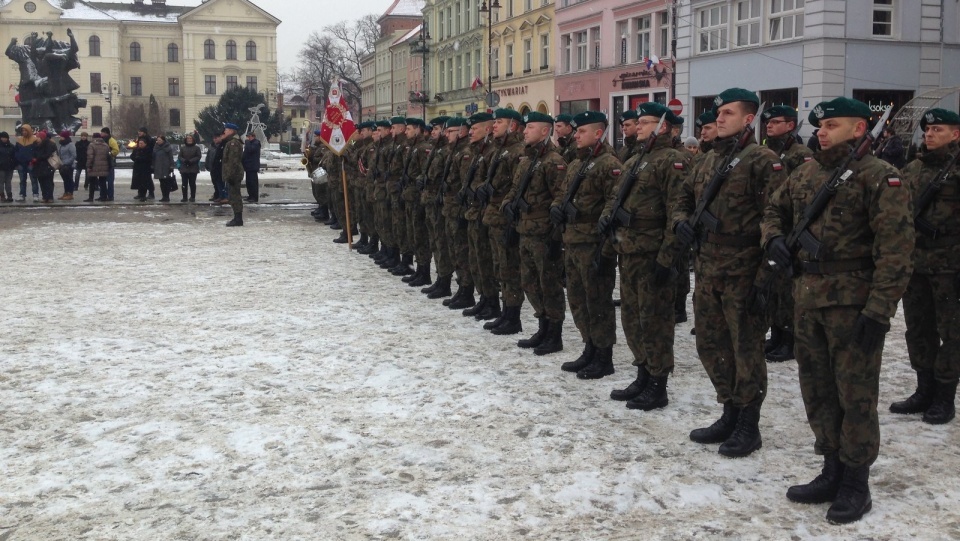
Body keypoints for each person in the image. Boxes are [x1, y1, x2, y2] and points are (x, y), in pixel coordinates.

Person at [762, 97, 914, 524]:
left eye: (833, 124)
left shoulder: (880, 177)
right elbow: (774, 209)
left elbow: (896, 252)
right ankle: (831, 467)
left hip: (854, 305)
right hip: (808, 300)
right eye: (821, 124)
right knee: (818, 390)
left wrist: (879, 311)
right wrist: (772, 238)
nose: (823, 131)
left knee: (855, 395)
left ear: (861, 129)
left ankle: (855, 482)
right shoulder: (807, 172)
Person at [673, 88, 785, 458]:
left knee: (745, 349)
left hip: (743, 270)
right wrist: (681, 223)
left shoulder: (762, 161)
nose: (718, 118)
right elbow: (683, 200)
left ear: (749, 119)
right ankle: (729, 409)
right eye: (717, 113)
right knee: (710, 344)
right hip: (707, 267)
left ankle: (748, 423)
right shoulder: (705, 162)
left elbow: (778, 217)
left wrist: (765, 277)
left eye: (728, 113)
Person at [601, 103, 689, 410]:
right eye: (637, 122)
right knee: (632, 318)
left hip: (652, 253)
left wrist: (667, 259)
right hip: (629, 250)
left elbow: (676, 213)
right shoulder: (636, 158)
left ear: (663, 126)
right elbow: (616, 198)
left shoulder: (672, 160)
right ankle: (643, 373)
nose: (638, 127)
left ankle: (658, 383)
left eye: (645, 122)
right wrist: (608, 226)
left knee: (655, 321)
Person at [891, 108, 960, 425]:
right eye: (928, 130)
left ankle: (944, 396)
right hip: (916, 263)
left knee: (953, 332)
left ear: (955, 134)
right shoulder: (913, 169)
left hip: (951, 266)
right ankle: (924, 389)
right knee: (918, 329)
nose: (930, 134)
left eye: (938, 130)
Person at [550, 111, 621, 378]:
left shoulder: (608, 164)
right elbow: (561, 194)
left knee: (598, 303)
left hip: (593, 243)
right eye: (576, 132)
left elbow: (613, 208)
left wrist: (606, 252)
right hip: (573, 240)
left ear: (598, 133)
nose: (576, 136)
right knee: (578, 300)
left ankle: (604, 355)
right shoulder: (577, 164)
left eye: (582, 132)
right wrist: (556, 208)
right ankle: (589, 347)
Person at [503, 111, 567, 354]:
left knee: (548, 283)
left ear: (544, 131)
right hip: (524, 230)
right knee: (530, 282)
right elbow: (514, 189)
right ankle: (542, 326)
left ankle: (554, 333)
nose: (524, 131)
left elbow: (561, 197)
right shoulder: (526, 160)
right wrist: (507, 204)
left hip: (543, 234)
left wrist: (554, 236)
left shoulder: (554, 161)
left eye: (530, 127)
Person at [761, 105, 814, 363]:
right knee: (774, 287)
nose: (769, 125)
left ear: (791, 125)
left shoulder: (800, 154)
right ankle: (777, 334)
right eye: (768, 122)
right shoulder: (770, 151)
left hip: (792, 228)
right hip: (774, 226)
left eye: (776, 122)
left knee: (787, 288)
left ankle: (789, 339)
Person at [219, 122, 245, 226]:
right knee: (233, 196)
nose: (224, 131)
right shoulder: (230, 142)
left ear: (231, 131)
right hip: (232, 173)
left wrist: (230, 175)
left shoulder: (233, 143)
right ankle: (237, 217)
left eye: (226, 129)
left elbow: (233, 161)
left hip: (234, 174)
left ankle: (238, 219)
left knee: (235, 196)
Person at [14, 123, 39, 202]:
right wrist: (17, 159)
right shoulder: (19, 140)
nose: (24, 132)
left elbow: (36, 151)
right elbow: (16, 151)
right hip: (21, 163)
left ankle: (35, 194)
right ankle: (22, 194)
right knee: (22, 180)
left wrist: (34, 158)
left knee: (33, 179)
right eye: (22, 130)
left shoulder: (34, 140)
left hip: (31, 163)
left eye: (25, 130)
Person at [33, 130, 58, 204]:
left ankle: (50, 197)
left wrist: (38, 158)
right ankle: (44, 197)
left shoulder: (49, 144)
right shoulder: (35, 145)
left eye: (38, 137)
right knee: (41, 182)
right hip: (39, 166)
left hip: (48, 165)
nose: (36, 138)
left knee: (48, 182)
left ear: (42, 138)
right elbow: (34, 153)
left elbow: (48, 154)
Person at [84, 133, 110, 202]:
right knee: (103, 182)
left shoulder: (91, 145)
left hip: (94, 166)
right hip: (104, 166)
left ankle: (91, 197)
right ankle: (104, 196)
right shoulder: (105, 145)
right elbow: (108, 155)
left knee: (92, 182)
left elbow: (90, 157)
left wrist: (89, 165)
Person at [178, 134, 201, 202]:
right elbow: (179, 156)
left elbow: (198, 156)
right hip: (184, 168)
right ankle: (184, 197)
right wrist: (184, 161)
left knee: (192, 183)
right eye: (188, 138)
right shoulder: (183, 148)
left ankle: (192, 197)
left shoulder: (196, 148)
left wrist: (191, 161)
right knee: (184, 183)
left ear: (193, 140)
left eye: (190, 138)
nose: (189, 140)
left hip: (193, 168)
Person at [130, 137, 153, 202]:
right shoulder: (136, 149)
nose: (140, 144)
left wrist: (140, 158)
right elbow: (132, 156)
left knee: (144, 182)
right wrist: (135, 158)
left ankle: (143, 195)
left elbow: (148, 158)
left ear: (145, 144)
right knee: (138, 182)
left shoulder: (148, 150)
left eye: (142, 143)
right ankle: (140, 194)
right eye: (139, 143)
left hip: (145, 168)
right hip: (137, 168)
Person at [152, 135, 175, 202]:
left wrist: (171, 166)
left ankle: (166, 196)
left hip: (166, 167)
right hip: (158, 167)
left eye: (160, 140)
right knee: (161, 182)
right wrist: (153, 166)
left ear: (163, 141)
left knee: (166, 182)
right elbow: (153, 158)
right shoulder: (155, 148)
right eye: (158, 140)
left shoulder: (168, 148)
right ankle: (163, 196)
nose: (158, 141)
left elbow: (171, 158)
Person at [100, 127, 119, 201]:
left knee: (110, 181)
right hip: (102, 162)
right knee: (102, 180)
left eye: (102, 132)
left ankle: (110, 196)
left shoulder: (111, 140)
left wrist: (110, 154)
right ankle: (103, 195)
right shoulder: (102, 140)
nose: (101, 133)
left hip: (109, 162)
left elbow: (116, 150)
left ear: (106, 133)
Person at [56, 130, 76, 200]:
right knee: (65, 180)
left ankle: (70, 193)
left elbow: (73, 155)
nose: (60, 138)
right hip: (62, 165)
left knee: (69, 179)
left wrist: (66, 162)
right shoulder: (62, 145)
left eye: (61, 136)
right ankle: (66, 192)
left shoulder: (70, 145)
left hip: (69, 166)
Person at [206, 133, 225, 203]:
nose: (215, 139)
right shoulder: (212, 146)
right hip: (212, 167)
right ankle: (217, 194)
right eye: (214, 138)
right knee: (215, 182)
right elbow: (208, 156)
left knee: (220, 182)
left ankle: (221, 195)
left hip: (218, 167)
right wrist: (207, 164)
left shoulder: (222, 146)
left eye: (216, 138)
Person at [242, 132, 261, 202]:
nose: (248, 138)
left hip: (253, 166)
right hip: (248, 166)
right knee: (248, 183)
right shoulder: (249, 144)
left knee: (253, 183)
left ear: (253, 136)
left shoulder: (256, 143)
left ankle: (254, 197)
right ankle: (250, 196)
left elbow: (251, 150)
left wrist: (247, 142)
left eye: (249, 136)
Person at [0, 131, 15, 202]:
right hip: (1, 167)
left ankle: (9, 195)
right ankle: (2, 195)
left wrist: (13, 164)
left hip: (9, 167)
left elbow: (14, 156)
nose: (4, 139)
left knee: (8, 182)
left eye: (5, 137)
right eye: (3, 137)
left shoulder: (11, 146)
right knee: (1, 182)